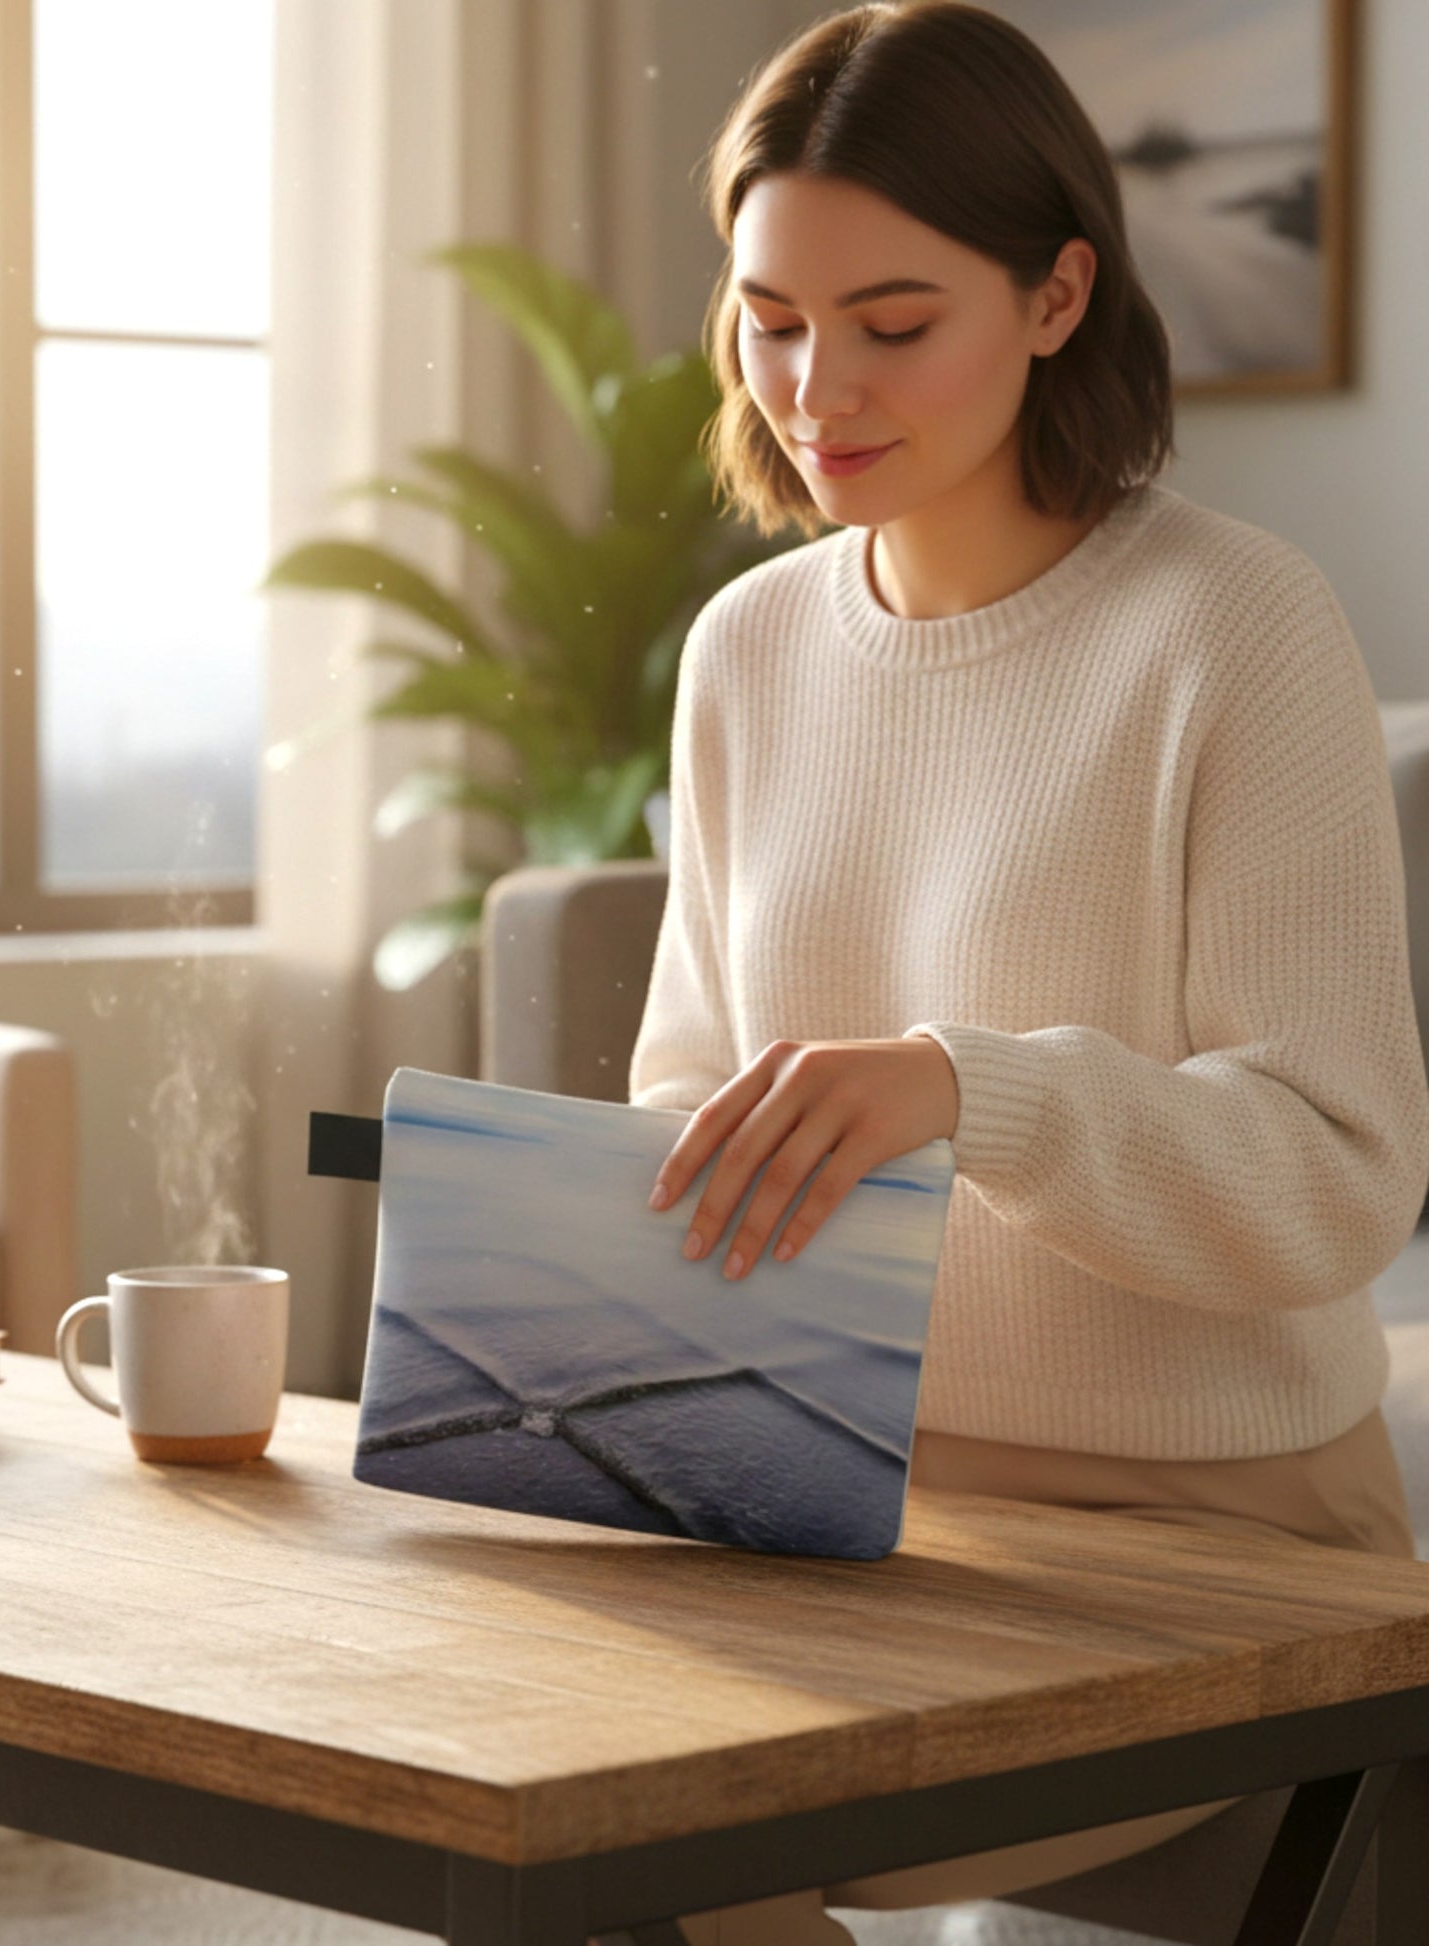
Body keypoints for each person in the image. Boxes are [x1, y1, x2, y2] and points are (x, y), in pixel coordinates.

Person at [626, 3, 1429, 1939]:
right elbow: (680, 1093)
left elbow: (1339, 1174)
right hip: (838, 1503)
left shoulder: (1229, 627)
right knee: (470, 1777)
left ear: (1058, 293)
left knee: (631, 1855)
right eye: (771, 317)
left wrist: (971, 1090)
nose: (818, 385)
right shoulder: (746, 651)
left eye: (894, 323)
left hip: (1213, 1530)